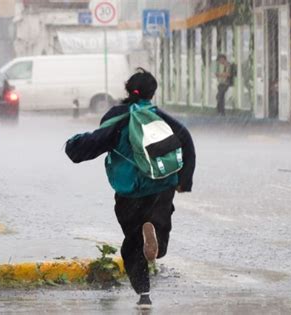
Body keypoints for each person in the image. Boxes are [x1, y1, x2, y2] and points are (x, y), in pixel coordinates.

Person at [65, 68, 196, 309]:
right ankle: (154, 229)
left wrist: (72, 147)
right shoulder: (161, 118)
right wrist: (183, 181)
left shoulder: (117, 118)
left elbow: (95, 141)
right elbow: (186, 140)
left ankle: (143, 293)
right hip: (162, 186)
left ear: (128, 90)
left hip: (130, 192)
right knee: (160, 236)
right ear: (152, 92)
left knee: (132, 244)